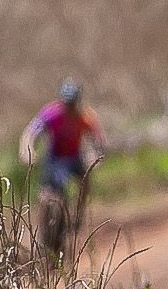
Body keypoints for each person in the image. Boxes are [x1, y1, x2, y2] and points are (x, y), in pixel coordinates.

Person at [21, 78, 107, 224]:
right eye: (67, 104)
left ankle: (79, 214)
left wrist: (96, 156)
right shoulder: (52, 113)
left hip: (74, 157)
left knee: (85, 180)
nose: (69, 108)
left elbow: (98, 139)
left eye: (72, 104)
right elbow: (31, 132)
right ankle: (45, 220)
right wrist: (26, 149)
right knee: (48, 192)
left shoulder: (84, 117)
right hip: (54, 158)